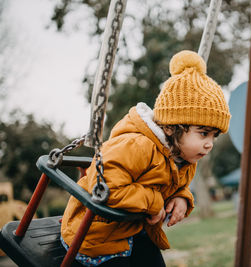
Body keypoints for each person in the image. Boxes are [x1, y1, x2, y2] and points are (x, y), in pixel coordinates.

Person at [60, 50, 231, 267]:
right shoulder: (138, 145)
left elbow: (173, 186)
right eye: (203, 133)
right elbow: (105, 187)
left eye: (214, 136)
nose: (210, 144)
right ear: (171, 127)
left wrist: (182, 198)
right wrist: (155, 203)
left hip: (131, 230)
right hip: (94, 235)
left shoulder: (184, 159)